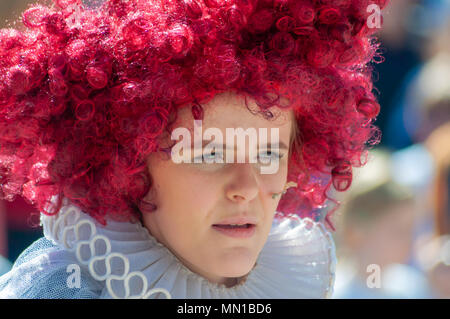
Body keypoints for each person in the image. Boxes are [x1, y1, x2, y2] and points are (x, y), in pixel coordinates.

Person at [0, 0, 388, 298]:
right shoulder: (68, 286)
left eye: (268, 154)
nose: (247, 187)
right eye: (209, 154)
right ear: (130, 167)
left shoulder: (297, 279)